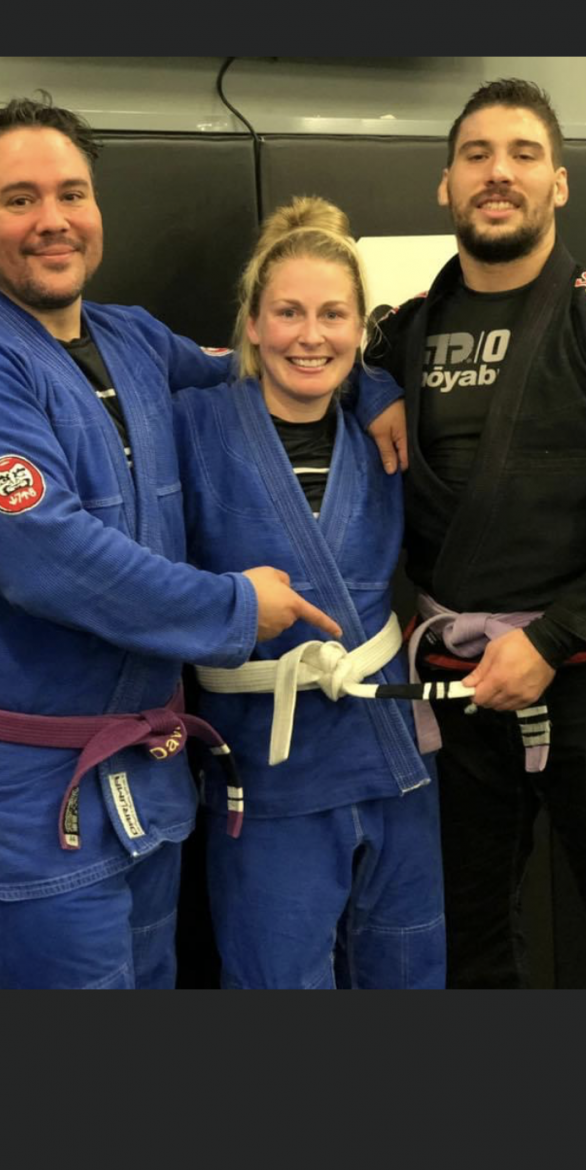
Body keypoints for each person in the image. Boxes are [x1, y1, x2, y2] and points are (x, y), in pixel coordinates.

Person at [0, 95, 394, 991]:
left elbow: (267, 361)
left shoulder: (131, 338)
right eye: (19, 199)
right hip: (27, 798)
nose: (53, 219)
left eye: (72, 193)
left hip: (144, 783)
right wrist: (235, 607)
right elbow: (46, 558)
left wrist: (375, 385)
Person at [367, 77, 586, 988]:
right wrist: (370, 386)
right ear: (446, 184)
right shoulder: (402, 336)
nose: (498, 172)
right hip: (458, 684)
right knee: (466, 939)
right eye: (476, 156)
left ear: (560, 182)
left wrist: (550, 641)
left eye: (523, 154)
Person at [172, 197, 445, 989]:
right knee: (277, 979)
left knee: (407, 966)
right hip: (268, 759)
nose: (310, 335)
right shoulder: (193, 425)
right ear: (253, 324)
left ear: (360, 330)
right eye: (288, 312)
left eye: (333, 315)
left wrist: (376, 388)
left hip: (387, 744)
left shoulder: (384, 427)